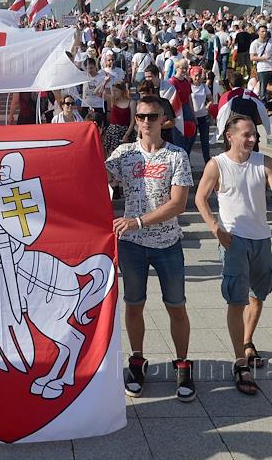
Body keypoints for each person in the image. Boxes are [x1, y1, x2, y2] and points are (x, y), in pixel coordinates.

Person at [193, 114, 272, 395]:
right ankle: (240, 363)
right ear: (229, 136)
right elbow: (200, 198)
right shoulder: (217, 164)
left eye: (254, 134)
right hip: (234, 240)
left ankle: (247, 340)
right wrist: (216, 228)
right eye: (247, 134)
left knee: (258, 295)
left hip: (261, 239)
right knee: (236, 300)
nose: (253, 139)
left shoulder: (264, 162)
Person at [105, 95, 196, 402]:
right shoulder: (124, 154)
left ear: (163, 121)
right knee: (134, 305)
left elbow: (178, 204)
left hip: (167, 243)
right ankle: (137, 360)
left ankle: (182, 363)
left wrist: (138, 222)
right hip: (131, 246)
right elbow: (95, 176)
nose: (145, 121)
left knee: (176, 306)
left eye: (152, 116)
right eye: (141, 116)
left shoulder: (176, 155)